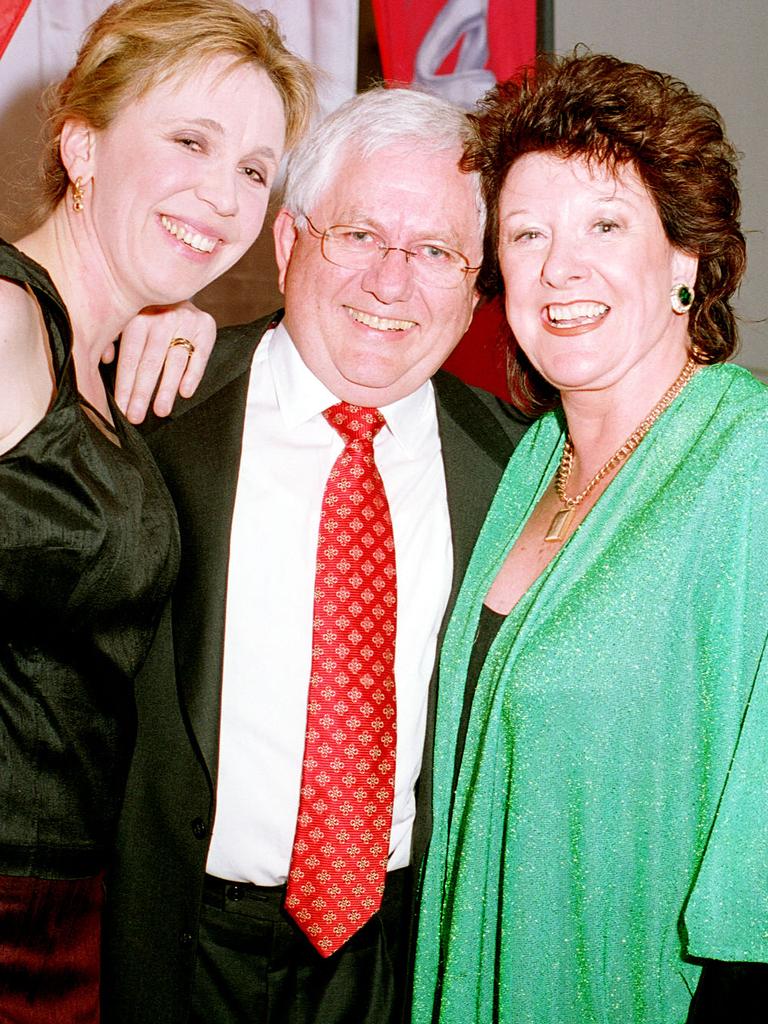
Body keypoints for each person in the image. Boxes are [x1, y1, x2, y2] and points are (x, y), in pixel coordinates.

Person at [101, 86, 529, 1024]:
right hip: (173, 946)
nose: (391, 282)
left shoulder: (518, 471)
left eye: (436, 252)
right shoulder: (151, 404)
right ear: (290, 242)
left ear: (475, 282)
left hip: (397, 958)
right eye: (359, 235)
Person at [412, 52, 768, 1024]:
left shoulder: (750, 464)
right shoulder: (531, 461)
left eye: (605, 225)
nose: (559, 267)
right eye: (526, 234)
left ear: (685, 257)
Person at [0, 0, 314, 1018]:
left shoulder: (99, 363)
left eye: (255, 171)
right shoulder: (4, 321)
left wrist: (172, 317)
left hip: (73, 915)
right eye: (191, 141)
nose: (223, 197)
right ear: (82, 143)